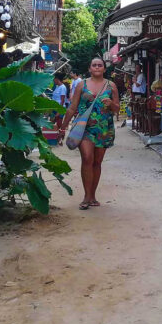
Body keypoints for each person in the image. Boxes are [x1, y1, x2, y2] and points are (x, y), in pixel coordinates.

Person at [61, 58, 120, 210]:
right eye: (94, 65)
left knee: (97, 162)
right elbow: (72, 107)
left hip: (104, 128)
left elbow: (117, 109)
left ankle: (92, 196)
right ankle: (87, 196)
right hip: (84, 127)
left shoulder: (111, 85)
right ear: (89, 68)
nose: (97, 67)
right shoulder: (82, 85)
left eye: (100, 65)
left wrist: (111, 104)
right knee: (87, 158)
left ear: (104, 69)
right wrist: (63, 127)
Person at [51, 72, 69, 145]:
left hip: (60, 108)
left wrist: (59, 111)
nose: (53, 80)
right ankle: (54, 137)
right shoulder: (57, 87)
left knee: (59, 124)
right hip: (54, 108)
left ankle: (60, 138)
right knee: (52, 122)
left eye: (54, 79)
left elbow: (62, 100)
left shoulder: (63, 87)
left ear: (57, 79)